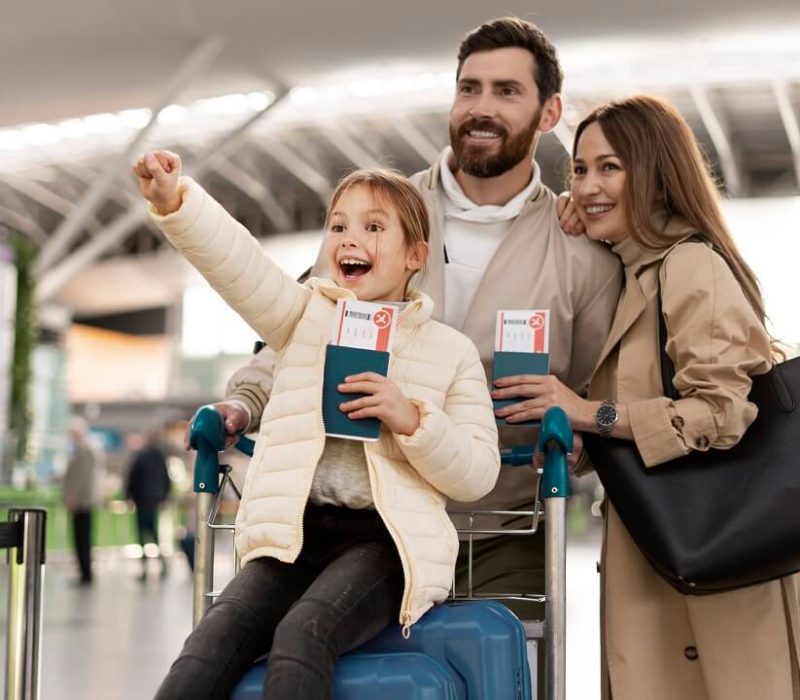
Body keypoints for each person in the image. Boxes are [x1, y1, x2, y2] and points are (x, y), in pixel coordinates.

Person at [208, 16, 622, 623]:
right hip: (363, 522)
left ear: (549, 111)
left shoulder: (581, 256)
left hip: (502, 532)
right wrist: (244, 401)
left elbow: (597, 393)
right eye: (469, 88)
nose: (481, 108)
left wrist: (580, 437)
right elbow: (304, 329)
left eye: (507, 92)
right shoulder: (379, 216)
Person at [133, 151, 501, 699]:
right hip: (293, 534)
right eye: (339, 225)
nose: (350, 238)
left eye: (374, 227)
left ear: (415, 255)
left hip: (383, 543)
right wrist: (176, 201)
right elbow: (242, 267)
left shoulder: (451, 352)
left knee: (305, 633)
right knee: (208, 646)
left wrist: (412, 419)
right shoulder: (305, 318)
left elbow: (477, 474)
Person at [510, 95, 800, 699]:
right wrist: (581, 441)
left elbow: (719, 415)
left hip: (717, 573)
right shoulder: (633, 274)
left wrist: (588, 410)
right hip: (663, 555)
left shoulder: (690, 265)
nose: (588, 185)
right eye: (580, 170)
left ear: (657, 173)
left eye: (610, 167)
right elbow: (640, 417)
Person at [124, 430, 171, 581]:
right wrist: (164, 496)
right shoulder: (160, 457)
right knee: (155, 534)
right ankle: (162, 565)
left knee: (142, 534)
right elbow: (166, 478)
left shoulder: (141, 456)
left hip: (142, 500)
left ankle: (144, 568)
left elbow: (132, 477)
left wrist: (128, 496)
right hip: (155, 500)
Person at [63, 416, 104, 586]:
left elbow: (83, 478)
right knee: (80, 538)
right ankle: (83, 572)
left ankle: (86, 574)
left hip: (83, 502)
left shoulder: (87, 449)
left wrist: (74, 497)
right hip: (80, 501)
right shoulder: (84, 448)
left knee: (83, 538)